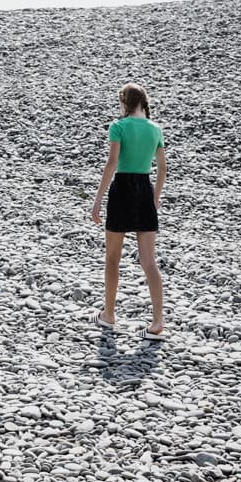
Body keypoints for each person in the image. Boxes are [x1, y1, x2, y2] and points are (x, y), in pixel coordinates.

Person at [91, 82, 167, 339]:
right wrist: (154, 199)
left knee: (113, 257)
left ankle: (109, 314)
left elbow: (112, 163)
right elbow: (163, 168)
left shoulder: (118, 126)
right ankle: (157, 323)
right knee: (149, 260)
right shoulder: (156, 129)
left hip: (122, 189)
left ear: (125, 102)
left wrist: (98, 199)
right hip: (145, 188)